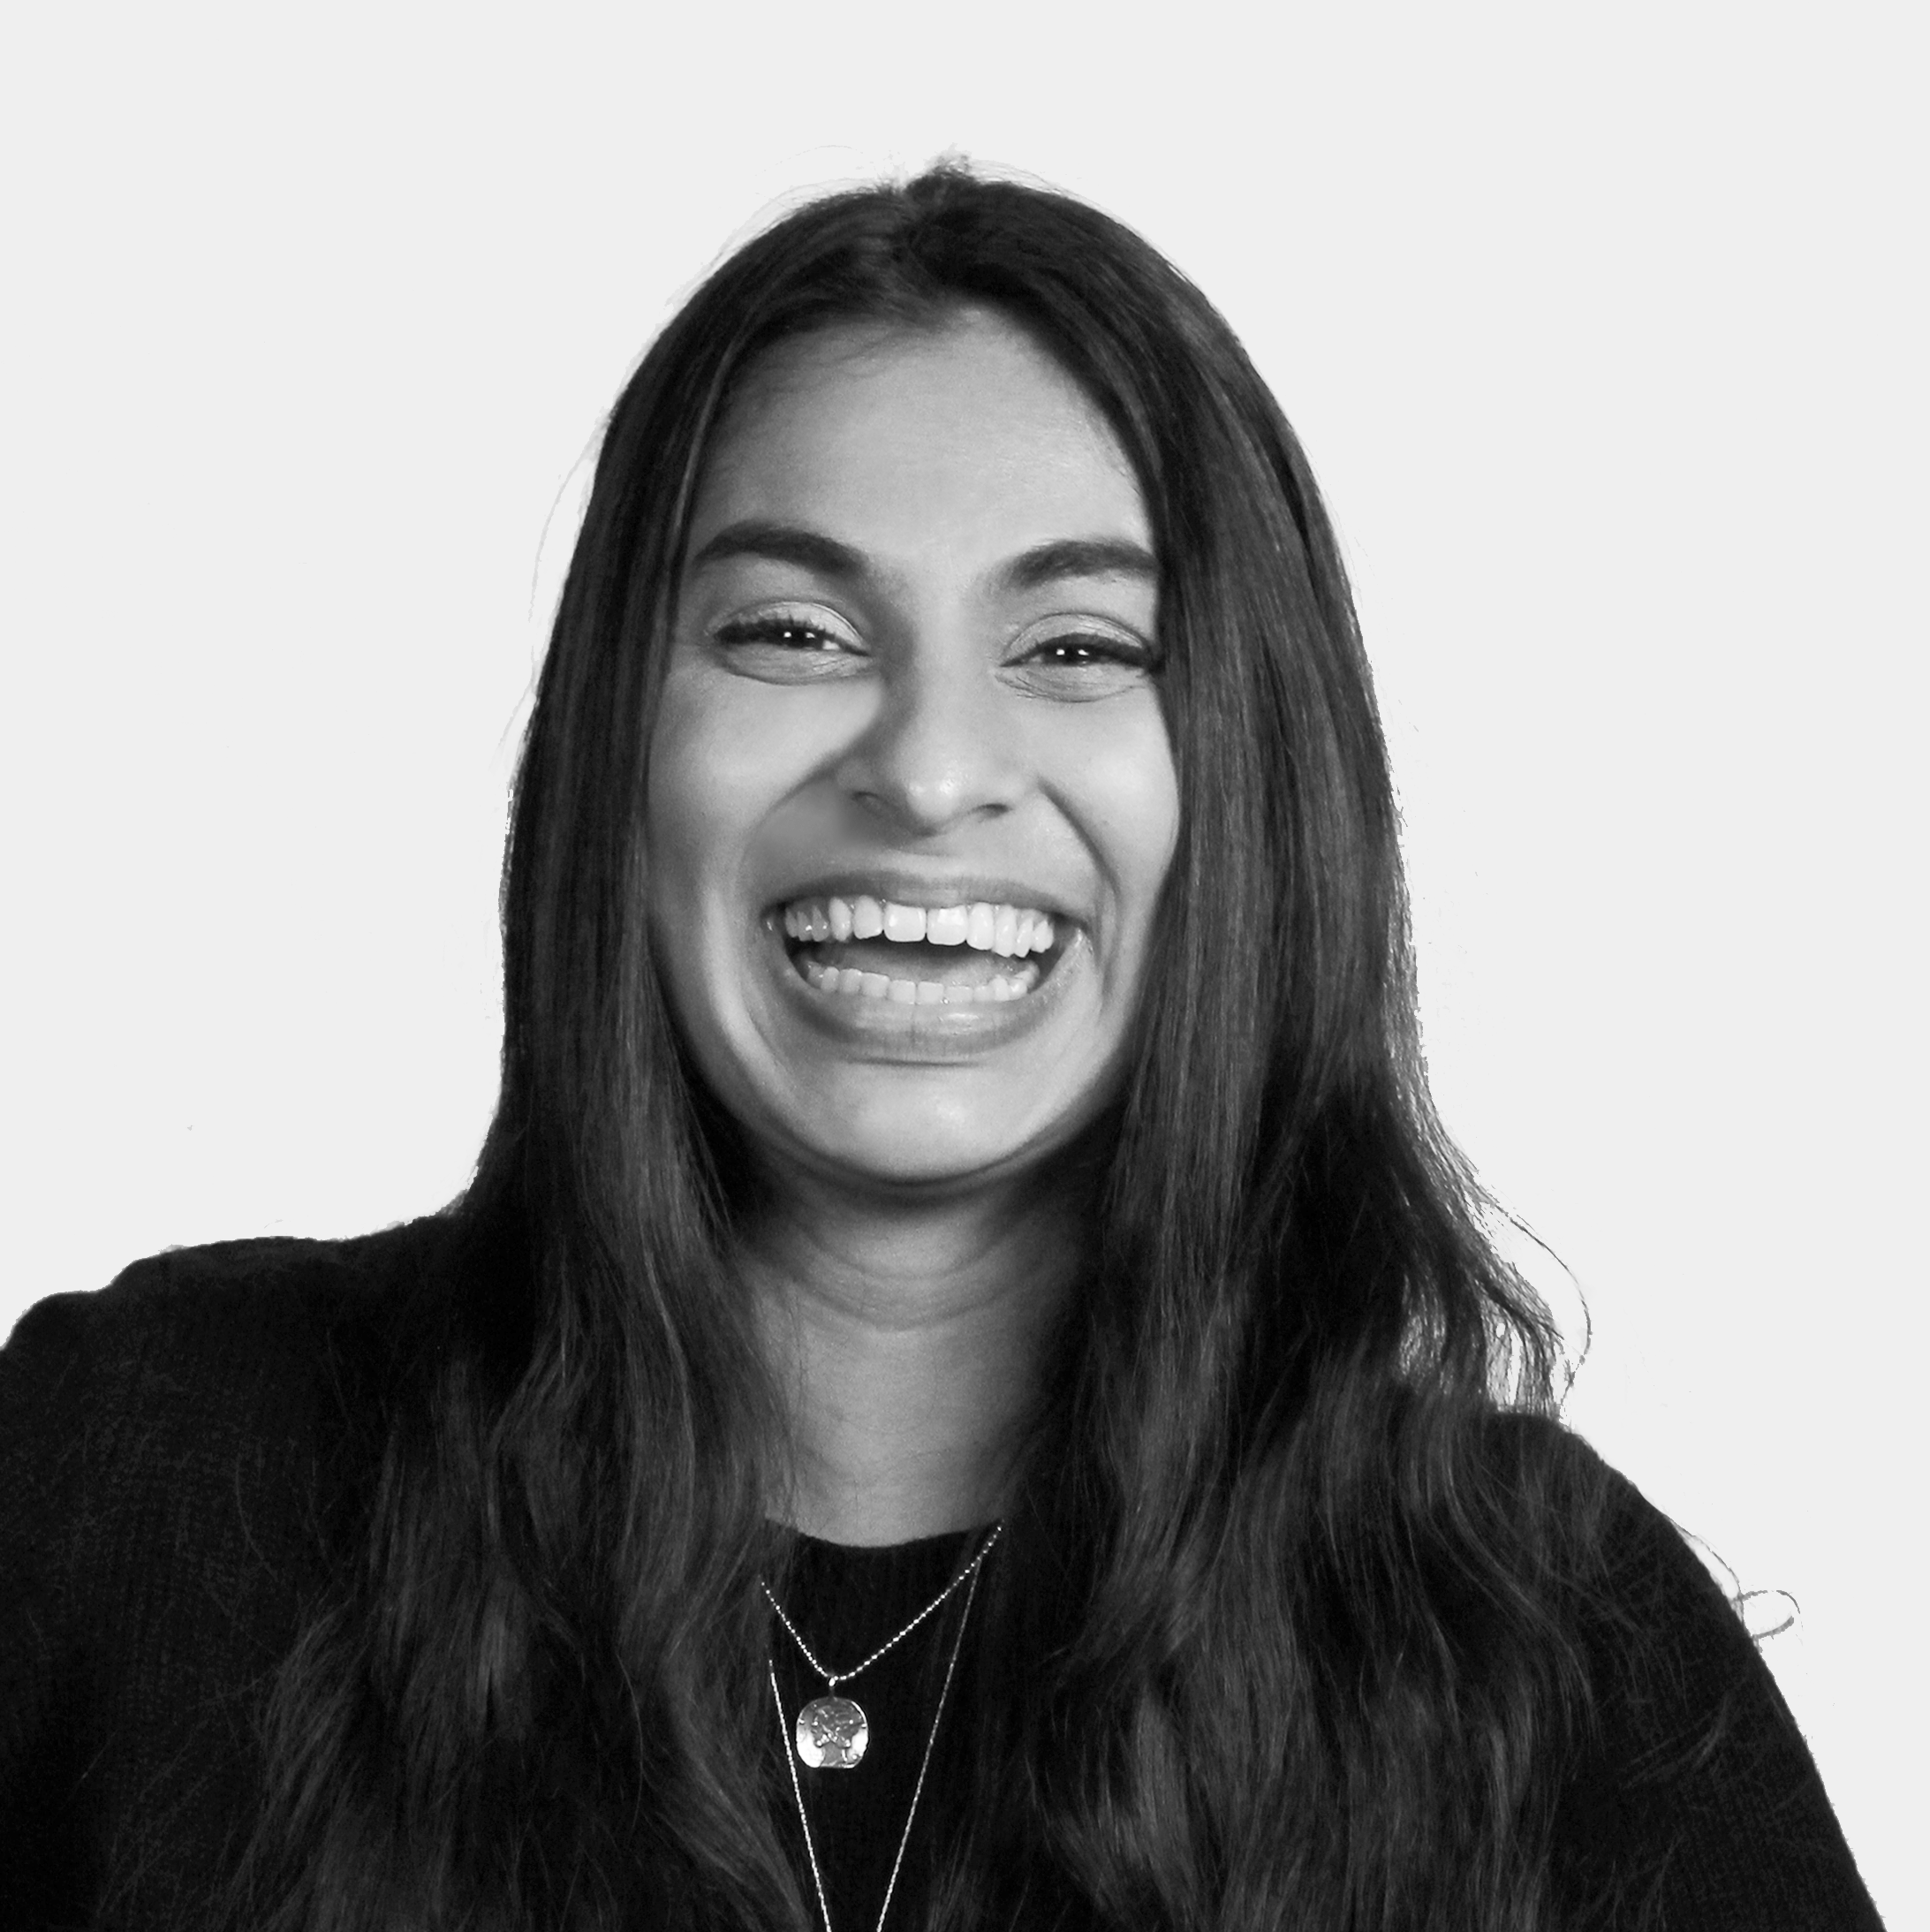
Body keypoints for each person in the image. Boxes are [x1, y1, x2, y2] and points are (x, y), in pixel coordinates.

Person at [0, 165, 1881, 1932]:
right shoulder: (135, 1473)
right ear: (615, 749)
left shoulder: (1558, 1654)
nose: (925, 770)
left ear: (1256, 781)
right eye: (793, 631)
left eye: (1077, 647)